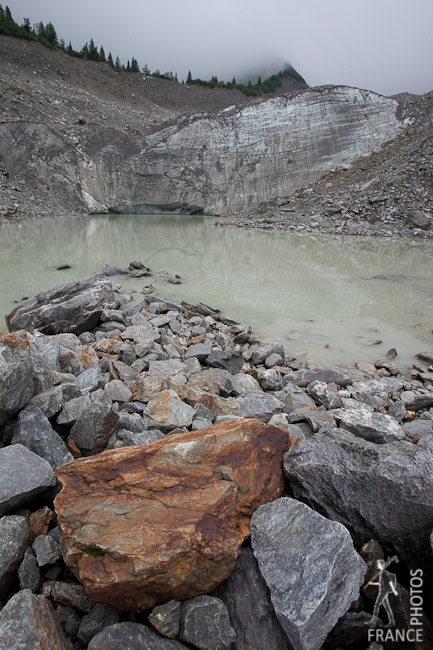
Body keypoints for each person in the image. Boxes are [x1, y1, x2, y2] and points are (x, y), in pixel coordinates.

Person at [367, 555, 399, 627]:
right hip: (383, 591)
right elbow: (381, 583)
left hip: (383, 592)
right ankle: (392, 621)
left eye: (378, 564)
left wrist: (394, 591)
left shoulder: (383, 573)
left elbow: (389, 582)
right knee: (387, 606)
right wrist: (372, 583)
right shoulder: (382, 573)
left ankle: (373, 621)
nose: (377, 565)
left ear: (381, 565)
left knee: (377, 605)